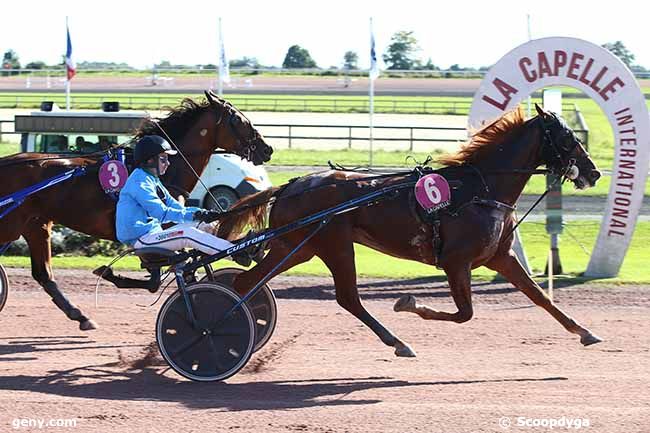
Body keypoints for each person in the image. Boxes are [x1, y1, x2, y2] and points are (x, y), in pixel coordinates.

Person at [115, 135, 252, 265]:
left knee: (207, 225)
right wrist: (195, 215)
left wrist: (203, 214)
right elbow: (162, 214)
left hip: (154, 234)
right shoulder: (139, 182)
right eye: (163, 159)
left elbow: (177, 208)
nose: (167, 163)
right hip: (142, 240)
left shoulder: (152, 179)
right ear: (150, 160)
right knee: (187, 234)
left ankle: (242, 244)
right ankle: (234, 253)